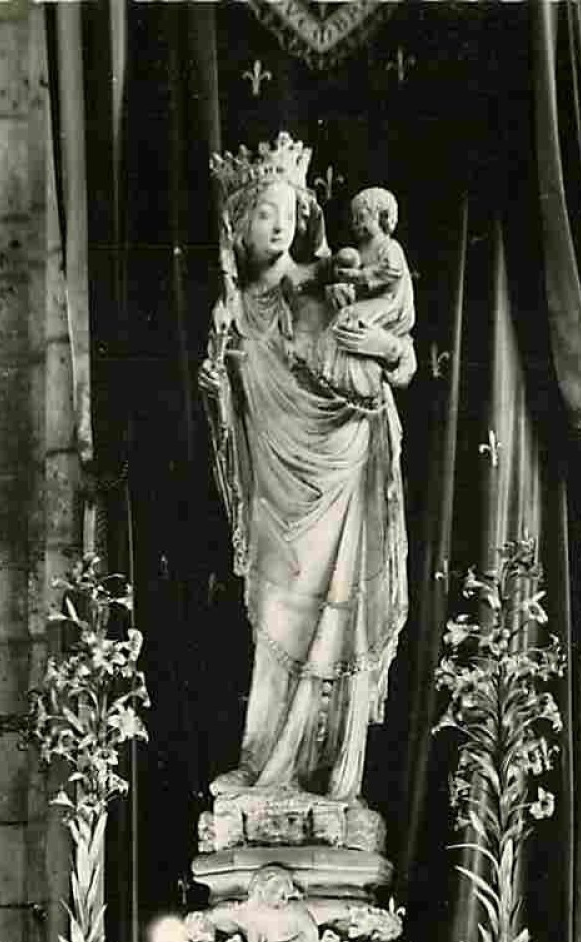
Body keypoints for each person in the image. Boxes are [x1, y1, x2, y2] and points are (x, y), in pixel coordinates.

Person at [200, 133, 413, 801]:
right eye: (266, 212)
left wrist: (382, 344)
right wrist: (218, 396)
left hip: (341, 463)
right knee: (275, 611)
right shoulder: (229, 311)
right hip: (275, 483)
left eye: (290, 209)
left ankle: (328, 777)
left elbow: (396, 362)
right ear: (237, 229)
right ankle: (267, 762)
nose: (281, 222)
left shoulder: (324, 285)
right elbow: (226, 419)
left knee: (336, 610)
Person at [317, 186, 416, 403]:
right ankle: (327, 371)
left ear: (382, 217)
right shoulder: (360, 252)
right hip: (371, 303)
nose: (355, 223)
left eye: (361, 217)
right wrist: (344, 285)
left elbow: (390, 271)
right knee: (345, 318)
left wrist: (359, 275)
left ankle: (330, 372)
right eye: (353, 218)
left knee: (350, 317)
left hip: (390, 304)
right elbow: (356, 289)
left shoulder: (390, 247)